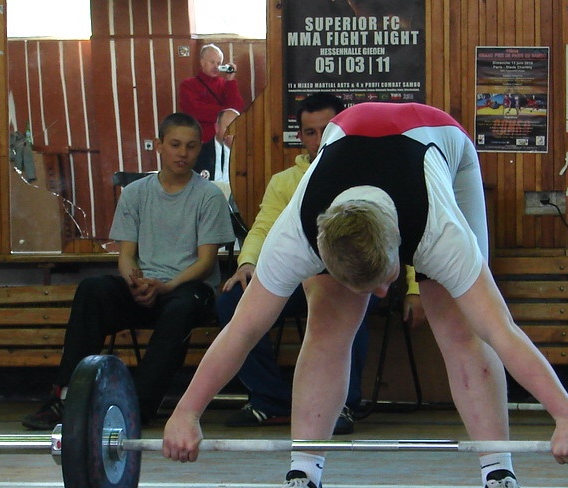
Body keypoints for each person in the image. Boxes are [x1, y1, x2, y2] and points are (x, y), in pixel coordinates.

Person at [162, 102, 568, 488]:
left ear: (403, 249)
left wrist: (566, 415)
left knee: (461, 329)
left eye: (385, 282)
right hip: (349, 149)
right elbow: (243, 330)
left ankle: (501, 477)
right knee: (327, 326)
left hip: (440, 142)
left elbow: (502, 331)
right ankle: (304, 481)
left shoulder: (439, 230)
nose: (383, 295)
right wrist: (186, 413)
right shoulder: (296, 234)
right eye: (371, 289)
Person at [217, 93, 425, 435]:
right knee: (231, 300)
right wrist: (247, 263)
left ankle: (342, 404)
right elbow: (264, 226)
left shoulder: (370, 170)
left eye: (324, 131)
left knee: (345, 301)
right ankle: (271, 401)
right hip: (298, 281)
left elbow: (409, 232)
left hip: (360, 276)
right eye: (309, 132)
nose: (317, 140)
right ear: (300, 136)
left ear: (341, 130)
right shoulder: (284, 181)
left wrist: (416, 290)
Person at [21, 112, 235, 430]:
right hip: (145, 286)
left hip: (188, 288)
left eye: (190, 146)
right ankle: (65, 397)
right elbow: (126, 255)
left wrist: (166, 285)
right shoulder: (135, 193)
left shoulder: (209, 196)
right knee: (93, 289)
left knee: (183, 304)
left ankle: (137, 405)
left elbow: (205, 263)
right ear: (160, 146)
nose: (183, 153)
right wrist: (135, 282)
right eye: (175, 145)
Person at [178, 44, 245, 143]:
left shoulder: (225, 84)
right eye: (212, 62)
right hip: (200, 138)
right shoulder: (188, 85)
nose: (216, 66)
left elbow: (236, 110)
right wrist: (225, 114)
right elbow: (196, 111)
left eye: (219, 63)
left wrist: (230, 81)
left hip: (224, 139)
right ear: (202, 62)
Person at [194, 108, 239, 181]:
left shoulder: (247, 155)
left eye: (237, 128)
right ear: (217, 128)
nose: (233, 132)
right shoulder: (199, 153)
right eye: (228, 128)